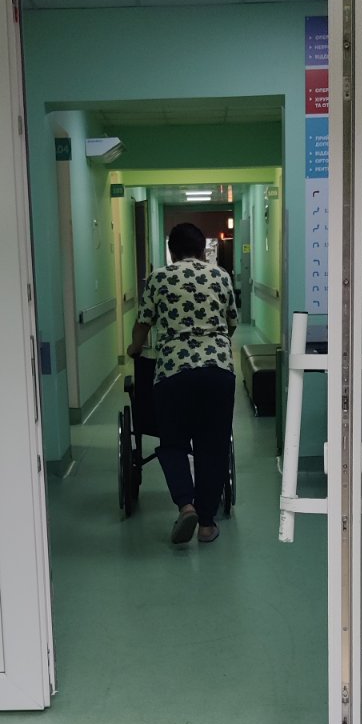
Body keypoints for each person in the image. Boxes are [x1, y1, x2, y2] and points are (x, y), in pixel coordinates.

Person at [128, 221, 238, 545]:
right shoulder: (220, 276)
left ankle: (185, 505)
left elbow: (143, 323)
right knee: (213, 447)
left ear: (171, 251)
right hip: (218, 371)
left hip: (174, 372)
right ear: (203, 250)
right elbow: (231, 322)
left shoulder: (159, 278)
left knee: (173, 444)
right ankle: (206, 524)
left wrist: (134, 348)